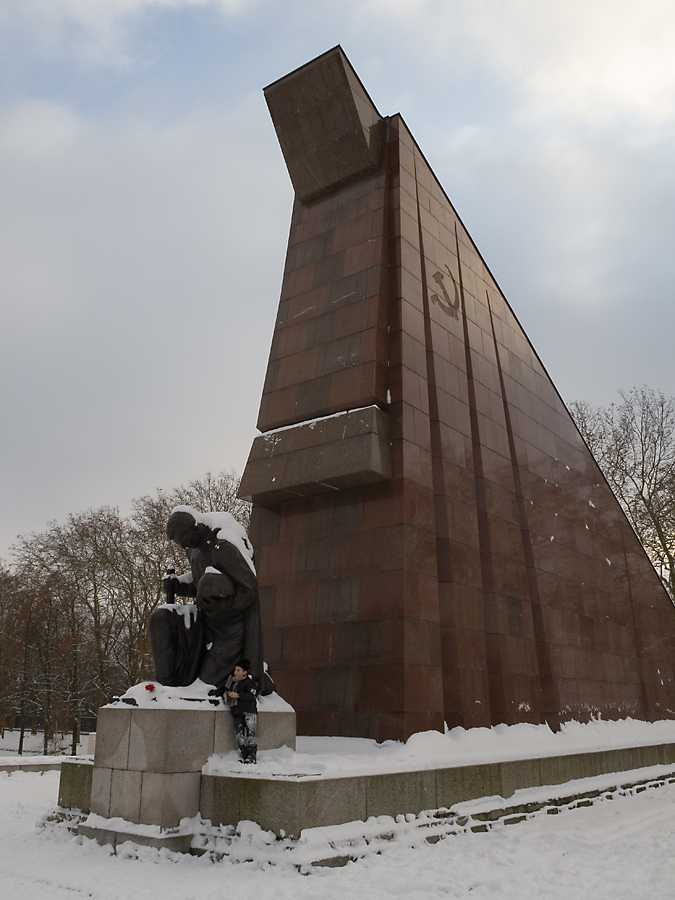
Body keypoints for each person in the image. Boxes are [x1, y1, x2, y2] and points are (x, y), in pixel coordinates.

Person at [148, 506, 264, 694]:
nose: (185, 547)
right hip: (203, 620)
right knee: (160, 618)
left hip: (228, 630)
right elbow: (201, 585)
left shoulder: (224, 547)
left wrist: (222, 607)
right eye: (181, 544)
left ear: (196, 527)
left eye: (186, 541)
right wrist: (179, 586)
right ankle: (165, 688)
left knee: (206, 688)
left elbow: (248, 590)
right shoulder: (193, 549)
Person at [224, 658, 258, 764]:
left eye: (238, 670)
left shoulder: (249, 683)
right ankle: (244, 754)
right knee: (239, 734)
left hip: (249, 711)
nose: (235, 673)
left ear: (245, 672)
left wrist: (238, 695)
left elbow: (252, 695)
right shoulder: (232, 683)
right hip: (237, 712)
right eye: (235, 670)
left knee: (250, 733)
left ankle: (252, 755)